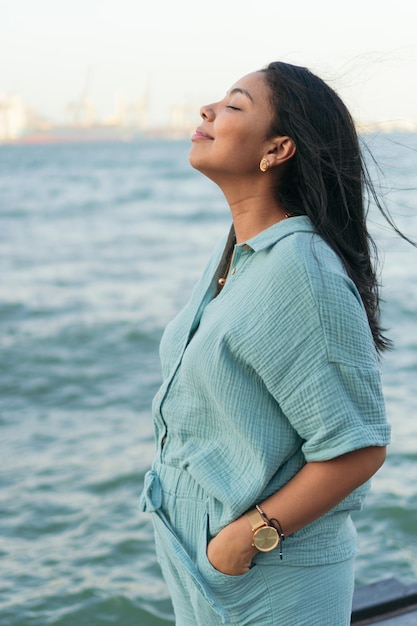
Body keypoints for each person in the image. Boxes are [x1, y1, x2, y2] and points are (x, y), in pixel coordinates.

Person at [139, 61, 392, 625]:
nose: (207, 110)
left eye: (233, 106)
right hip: (203, 558)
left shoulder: (301, 269)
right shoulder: (239, 251)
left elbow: (358, 446)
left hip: (265, 578)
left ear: (277, 150)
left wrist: (245, 539)